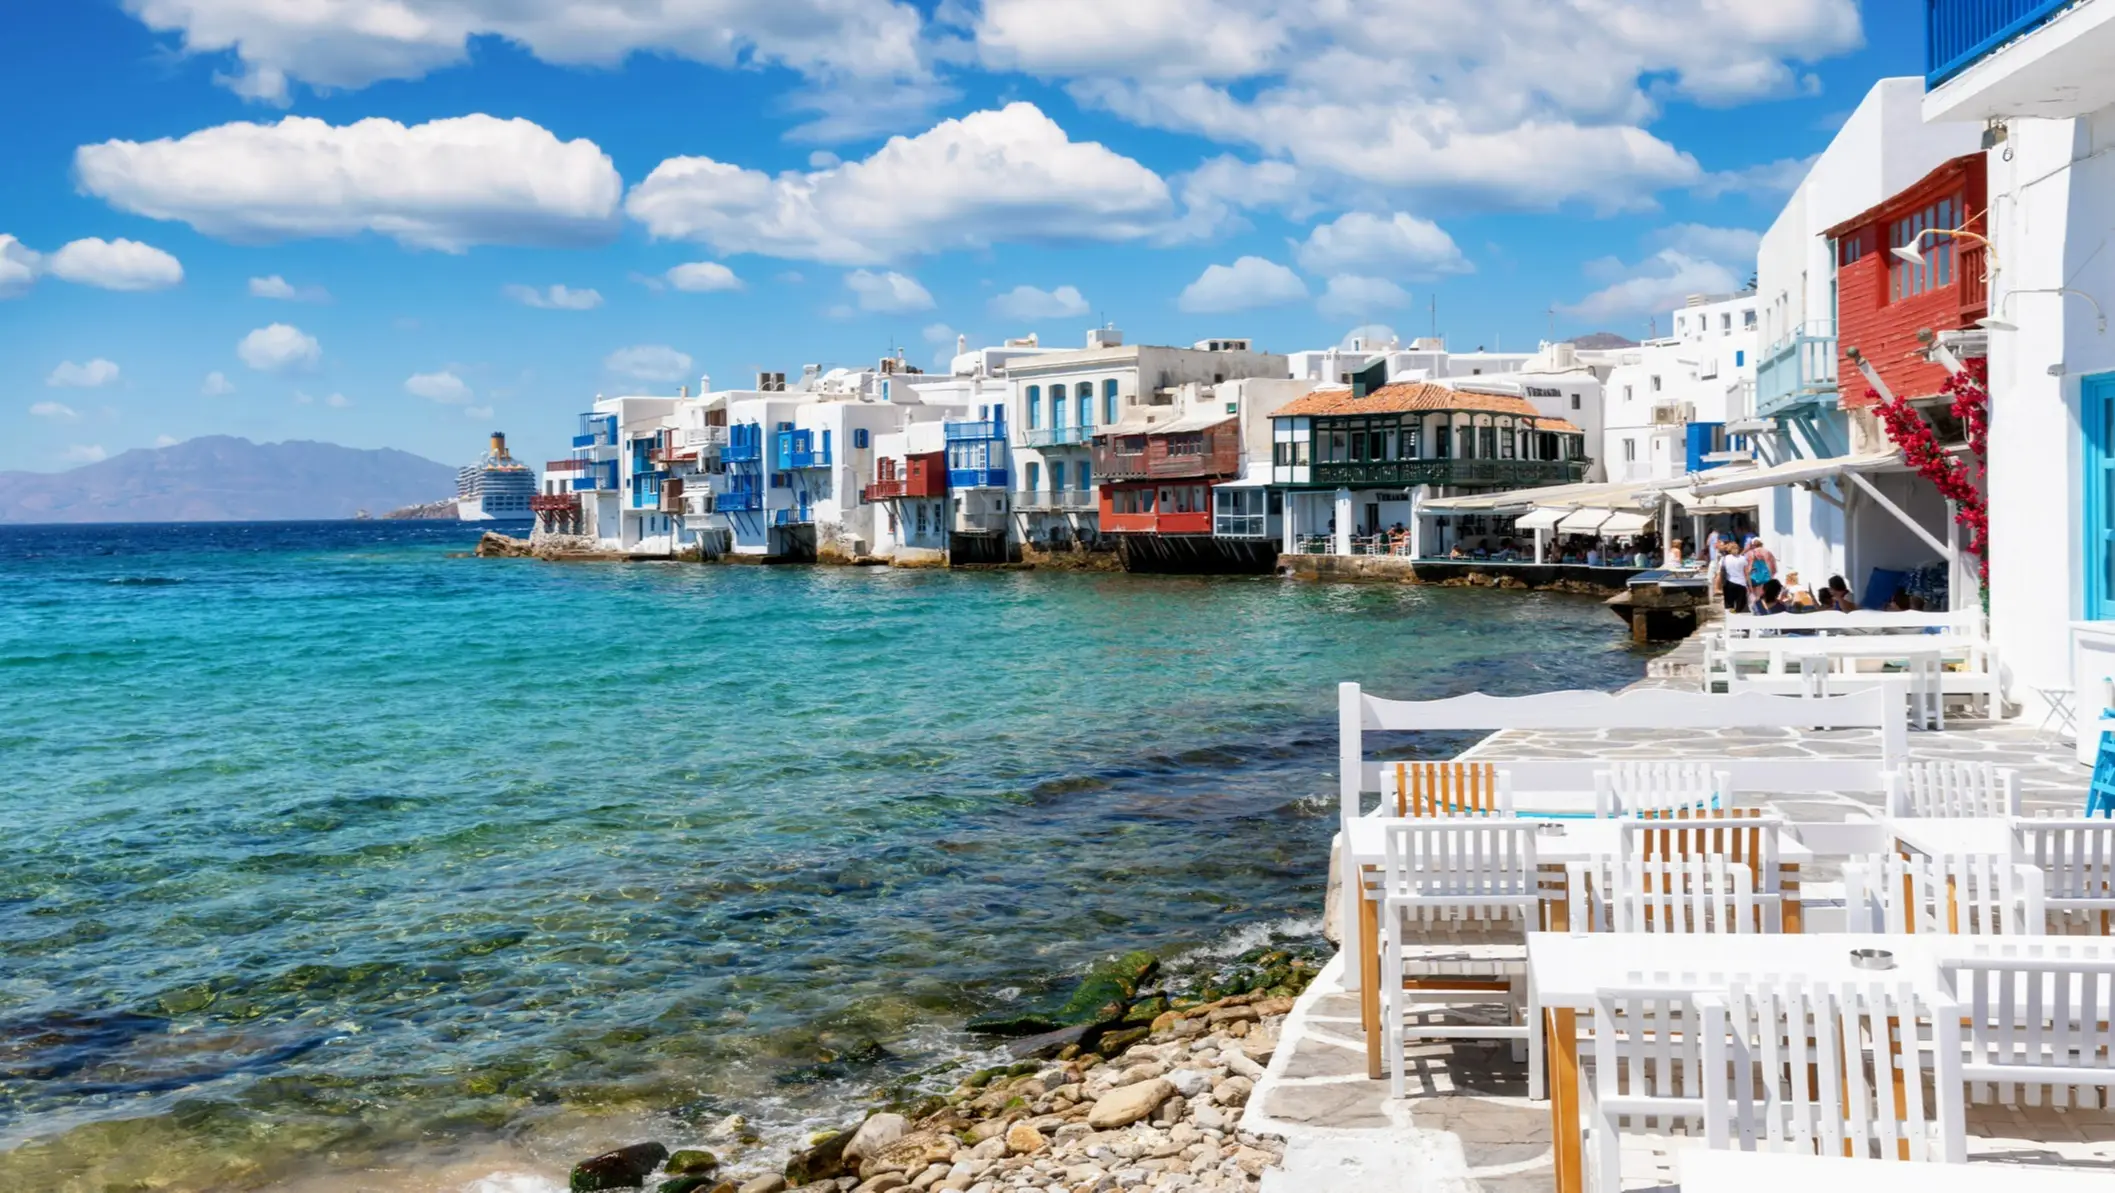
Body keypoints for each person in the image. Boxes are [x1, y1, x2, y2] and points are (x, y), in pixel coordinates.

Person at [1718, 540, 1748, 612]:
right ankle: (1738, 618)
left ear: (1729, 550)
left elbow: (1721, 572)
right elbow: (1746, 572)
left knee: (1729, 604)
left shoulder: (1724, 558)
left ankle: (1731, 619)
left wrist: (1720, 584)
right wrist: (1749, 584)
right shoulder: (1743, 558)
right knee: (1740, 606)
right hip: (1741, 583)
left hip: (1729, 582)